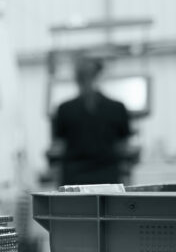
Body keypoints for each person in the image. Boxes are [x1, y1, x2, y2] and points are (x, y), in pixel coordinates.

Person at [50, 57, 134, 186]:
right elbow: (124, 147)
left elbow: (59, 147)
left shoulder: (64, 109)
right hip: (108, 179)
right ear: (99, 76)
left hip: (74, 180)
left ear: (76, 79)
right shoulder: (117, 107)